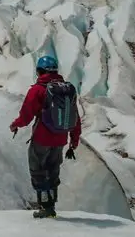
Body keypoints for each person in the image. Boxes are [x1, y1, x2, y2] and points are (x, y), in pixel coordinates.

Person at [9, 55, 82, 219]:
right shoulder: (67, 90)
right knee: (53, 171)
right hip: (60, 139)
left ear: (39, 71)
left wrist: (15, 124)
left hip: (42, 138)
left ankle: (45, 207)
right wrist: (73, 142)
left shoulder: (37, 90)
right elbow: (75, 118)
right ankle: (51, 206)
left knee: (38, 171)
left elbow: (26, 116)